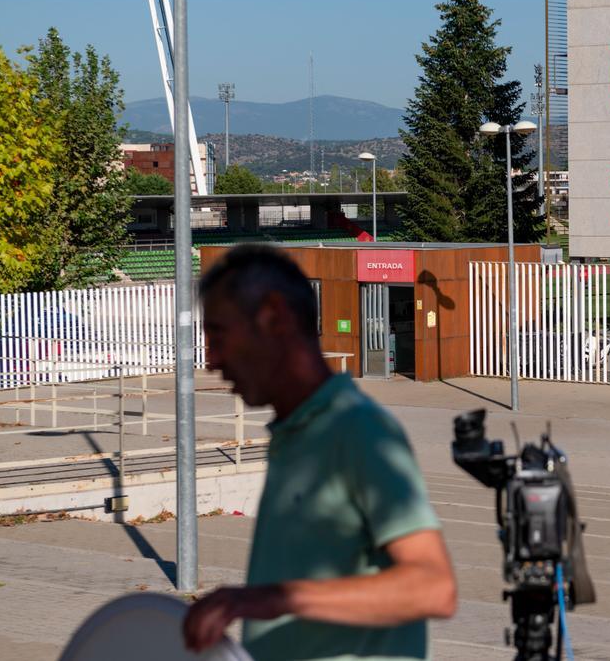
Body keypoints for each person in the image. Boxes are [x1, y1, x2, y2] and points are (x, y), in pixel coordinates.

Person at [183, 244, 456, 660]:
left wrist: (270, 599)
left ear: (274, 317)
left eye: (218, 334)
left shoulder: (358, 430)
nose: (211, 360)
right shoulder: (293, 435)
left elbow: (434, 588)